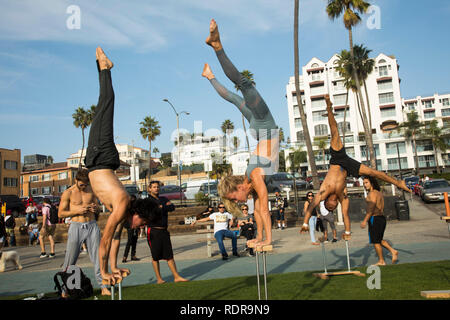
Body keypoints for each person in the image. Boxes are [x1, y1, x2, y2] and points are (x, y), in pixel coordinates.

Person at [84, 47, 161, 285]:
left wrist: (114, 267)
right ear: (137, 215)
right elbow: (104, 240)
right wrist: (104, 273)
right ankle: (104, 67)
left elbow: (115, 238)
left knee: (103, 106)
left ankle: (102, 66)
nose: (139, 227)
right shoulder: (122, 204)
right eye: (142, 223)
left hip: (101, 160)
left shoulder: (123, 212)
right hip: (101, 156)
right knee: (106, 103)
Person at [204, 19, 279, 247]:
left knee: (242, 86)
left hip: (264, 124)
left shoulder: (254, 176)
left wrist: (267, 241)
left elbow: (264, 210)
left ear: (238, 189)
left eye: (233, 199)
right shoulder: (252, 179)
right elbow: (258, 212)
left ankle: (217, 48)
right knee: (236, 97)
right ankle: (209, 76)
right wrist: (259, 237)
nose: (237, 202)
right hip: (262, 127)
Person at [301, 95, 411, 240]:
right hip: (348, 168)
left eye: (331, 206)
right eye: (333, 209)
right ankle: (398, 183)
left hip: (337, 160)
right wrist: (347, 232)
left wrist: (305, 223)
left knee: (335, 133)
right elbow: (345, 215)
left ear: (327, 202)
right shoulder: (342, 196)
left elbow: (311, 206)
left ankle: (329, 108)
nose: (333, 207)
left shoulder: (323, 192)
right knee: (373, 172)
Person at [58, 168, 110, 296]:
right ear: (76, 180)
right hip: (76, 226)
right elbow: (60, 213)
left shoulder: (91, 190)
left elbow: (98, 207)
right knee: (70, 260)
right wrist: (77, 211)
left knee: (99, 258)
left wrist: (95, 208)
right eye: (82, 184)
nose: (84, 187)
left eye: (86, 184)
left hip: (92, 226)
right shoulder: (68, 193)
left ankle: (104, 287)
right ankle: (66, 290)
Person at [146, 181, 188, 284]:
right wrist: (161, 208)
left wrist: (162, 207)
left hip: (164, 230)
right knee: (155, 256)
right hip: (153, 231)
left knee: (169, 255)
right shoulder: (147, 201)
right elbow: (150, 212)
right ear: (149, 189)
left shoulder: (163, 199)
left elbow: (172, 207)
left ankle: (176, 276)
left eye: (157, 187)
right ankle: (159, 279)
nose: (156, 189)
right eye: (154, 187)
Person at [360, 176, 398, 266]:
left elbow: (371, 208)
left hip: (375, 219)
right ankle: (393, 251)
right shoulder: (378, 193)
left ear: (372, 183)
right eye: (364, 183)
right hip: (381, 218)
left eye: (366, 183)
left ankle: (381, 261)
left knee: (376, 242)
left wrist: (365, 220)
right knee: (379, 240)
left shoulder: (372, 194)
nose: (365, 185)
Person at [122, 195, 140, 263]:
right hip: (130, 225)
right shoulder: (127, 207)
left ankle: (133, 255)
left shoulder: (136, 207)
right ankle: (125, 257)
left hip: (135, 225)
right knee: (129, 241)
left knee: (135, 240)